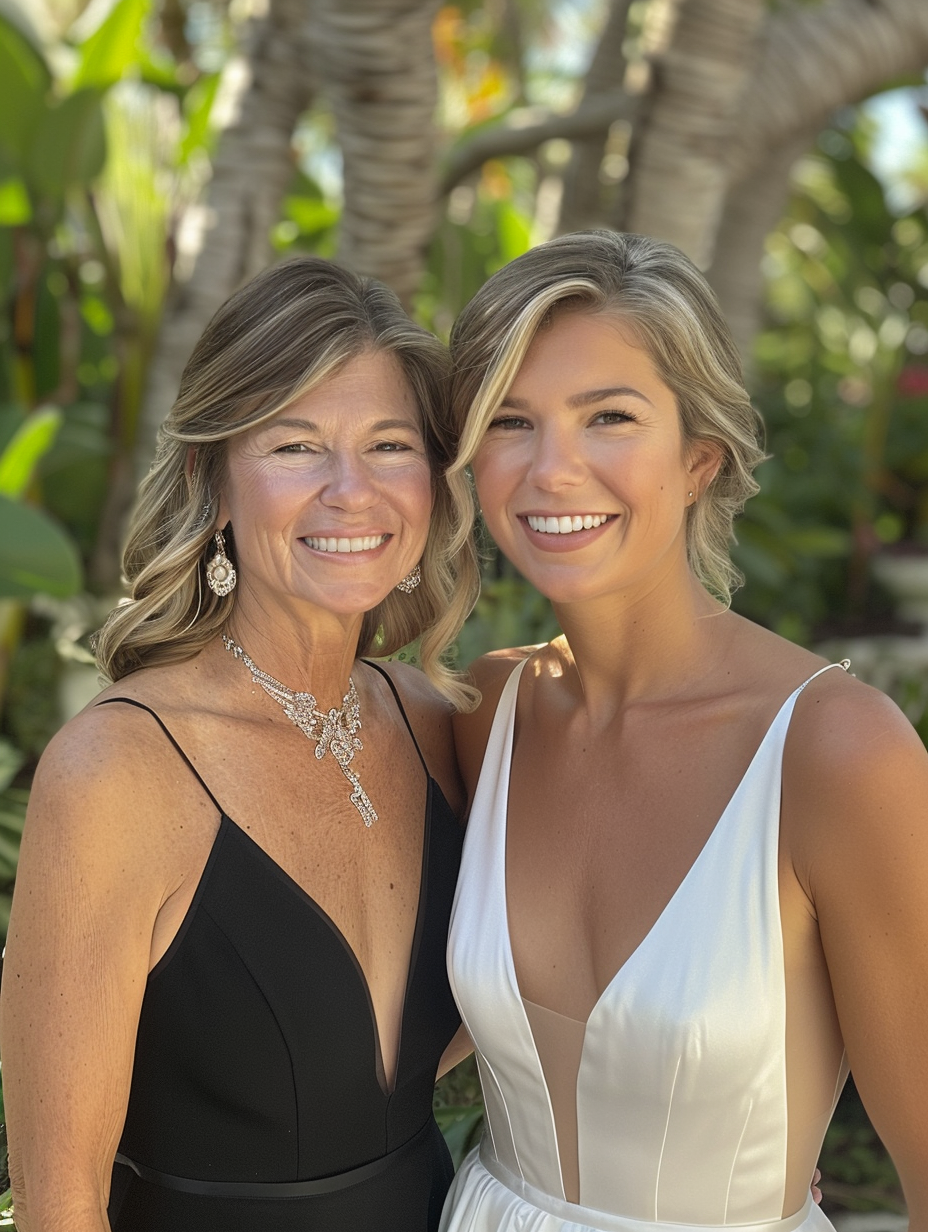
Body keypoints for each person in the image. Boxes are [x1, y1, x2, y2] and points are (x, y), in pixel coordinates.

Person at [440, 230, 928, 1231]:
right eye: (511, 420)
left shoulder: (835, 753)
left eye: (608, 417)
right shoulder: (490, 714)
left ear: (698, 456)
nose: (551, 469)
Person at [0, 256, 481, 1232]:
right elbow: (58, 1205)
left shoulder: (439, 725)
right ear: (210, 480)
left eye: (389, 444)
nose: (352, 491)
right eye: (296, 445)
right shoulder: (119, 772)